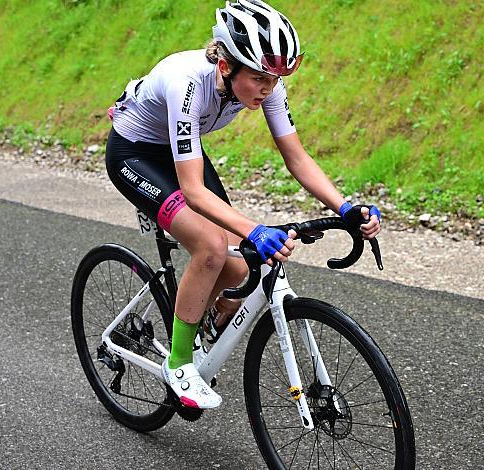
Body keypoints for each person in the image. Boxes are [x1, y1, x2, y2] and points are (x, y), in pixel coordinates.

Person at [105, 0, 381, 410]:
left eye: (274, 78)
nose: (268, 88)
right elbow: (194, 192)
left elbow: (297, 158)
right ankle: (179, 364)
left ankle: (198, 323)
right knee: (212, 247)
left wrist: (345, 208)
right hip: (135, 154)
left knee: (241, 263)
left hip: (181, 152)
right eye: (259, 78)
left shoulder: (262, 80)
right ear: (225, 67)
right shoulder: (187, 82)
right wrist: (255, 229)